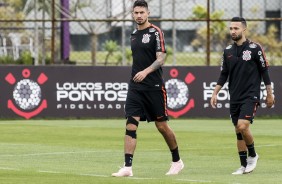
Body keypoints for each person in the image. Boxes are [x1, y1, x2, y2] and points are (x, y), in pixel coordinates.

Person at [112, 0, 184, 177]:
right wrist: (139, 75)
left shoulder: (155, 32)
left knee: (161, 126)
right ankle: (127, 167)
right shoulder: (134, 34)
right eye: (136, 12)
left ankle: (177, 161)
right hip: (136, 87)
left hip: (154, 87)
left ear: (148, 13)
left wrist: (146, 71)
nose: (139, 15)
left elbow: (161, 59)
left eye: (141, 12)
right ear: (132, 14)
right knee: (131, 124)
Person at [210, 17, 275, 175]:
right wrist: (215, 92)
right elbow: (224, 74)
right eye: (231, 28)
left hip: (250, 95)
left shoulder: (255, 48)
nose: (233, 31)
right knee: (238, 132)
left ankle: (253, 155)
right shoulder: (228, 51)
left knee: (242, 126)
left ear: (244, 29)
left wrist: (269, 93)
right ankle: (243, 165)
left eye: (236, 28)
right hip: (235, 97)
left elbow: (264, 71)